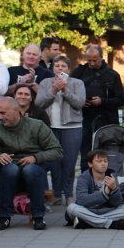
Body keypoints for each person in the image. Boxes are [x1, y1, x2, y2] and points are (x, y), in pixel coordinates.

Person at [0, 97, 63, 231]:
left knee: (30, 170)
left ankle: (38, 216)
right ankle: (4, 216)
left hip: (35, 168)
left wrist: (35, 157)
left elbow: (57, 151)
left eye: (3, 113)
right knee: (9, 170)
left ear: (16, 110)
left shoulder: (37, 125)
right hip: (10, 171)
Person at [36, 55, 85, 204]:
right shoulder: (45, 83)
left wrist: (65, 90)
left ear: (68, 69)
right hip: (51, 127)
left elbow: (80, 103)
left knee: (69, 163)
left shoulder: (77, 83)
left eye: (63, 66)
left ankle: (69, 194)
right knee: (55, 163)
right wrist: (53, 91)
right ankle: (56, 194)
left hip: (72, 127)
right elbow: (39, 103)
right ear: (53, 68)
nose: (60, 69)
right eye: (57, 66)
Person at [73, 44, 124, 161]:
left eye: (94, 60)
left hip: (106, 120)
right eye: (89, 60)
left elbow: (120, 100)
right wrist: (81, 101)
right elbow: (70, 91)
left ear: (101, 57)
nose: (91, 63)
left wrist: (102, 101)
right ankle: (86, 177)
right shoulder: (80, 72)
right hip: (85, 119)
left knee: (105, 155)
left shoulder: (112, 75)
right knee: (86, 154)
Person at [66, 150, 124, 229]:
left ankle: (88, 222)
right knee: (71, 208)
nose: (103, 164)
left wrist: (114, 189)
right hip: (88, 210)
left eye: (105, 161)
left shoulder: (111, 176)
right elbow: (81, 200)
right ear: (90, 164)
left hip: (106, 210)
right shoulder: (83, 178)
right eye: (99, 161)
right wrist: (104, 194)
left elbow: (117, 203)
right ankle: (112, 224)